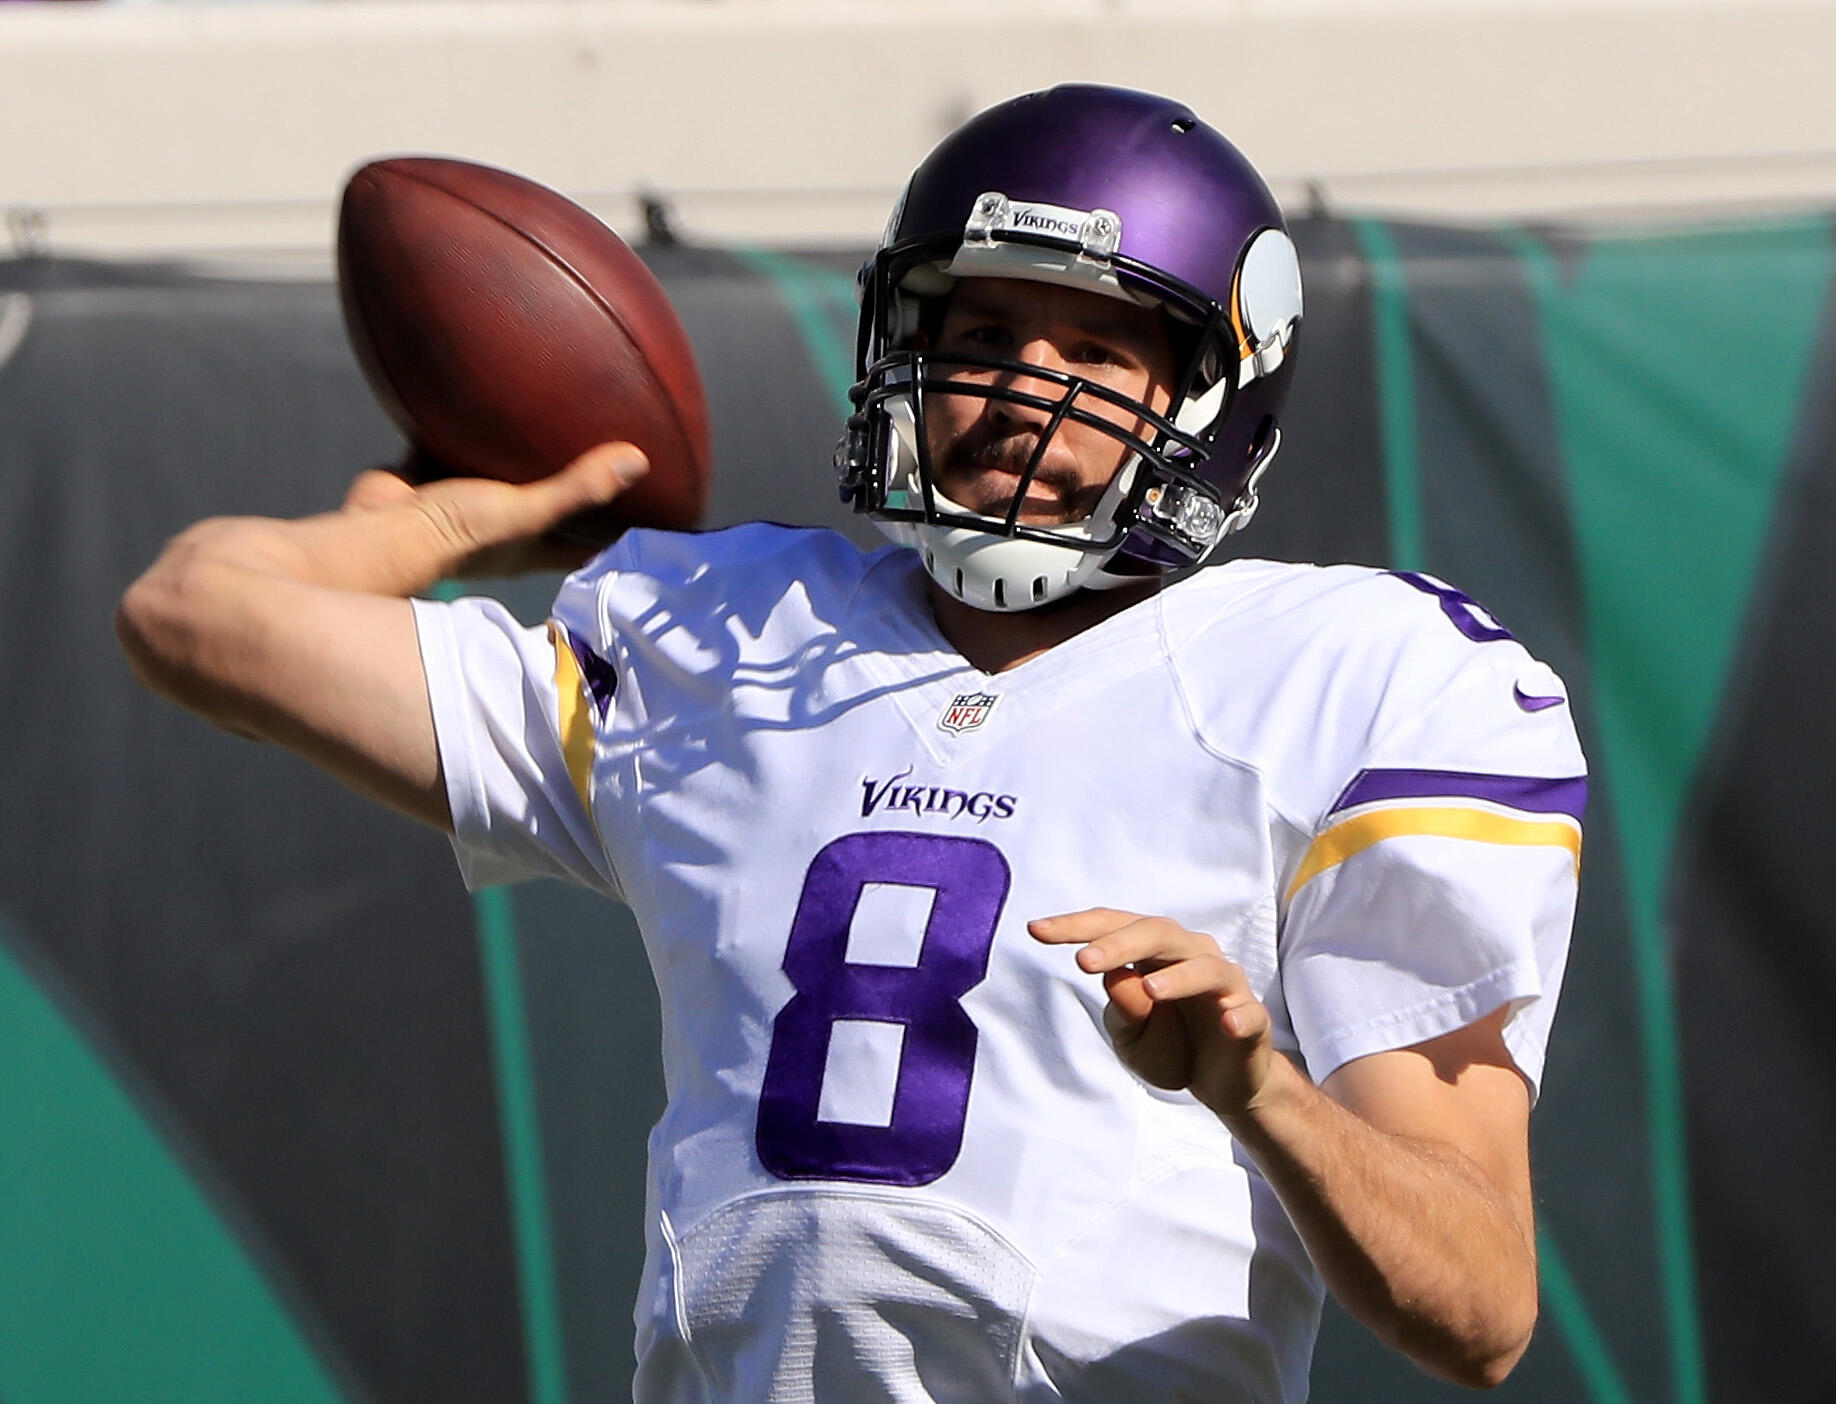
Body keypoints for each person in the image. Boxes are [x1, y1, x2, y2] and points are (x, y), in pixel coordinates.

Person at [118, 85, 1583, 1401]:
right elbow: (194, 612)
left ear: (1210, 396)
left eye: (1097, 346)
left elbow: (1479, 1307)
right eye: (985, 333)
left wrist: (1256, 1089)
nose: (1024, 387)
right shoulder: (730, 640)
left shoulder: (1347, 679)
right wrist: (456, 516)